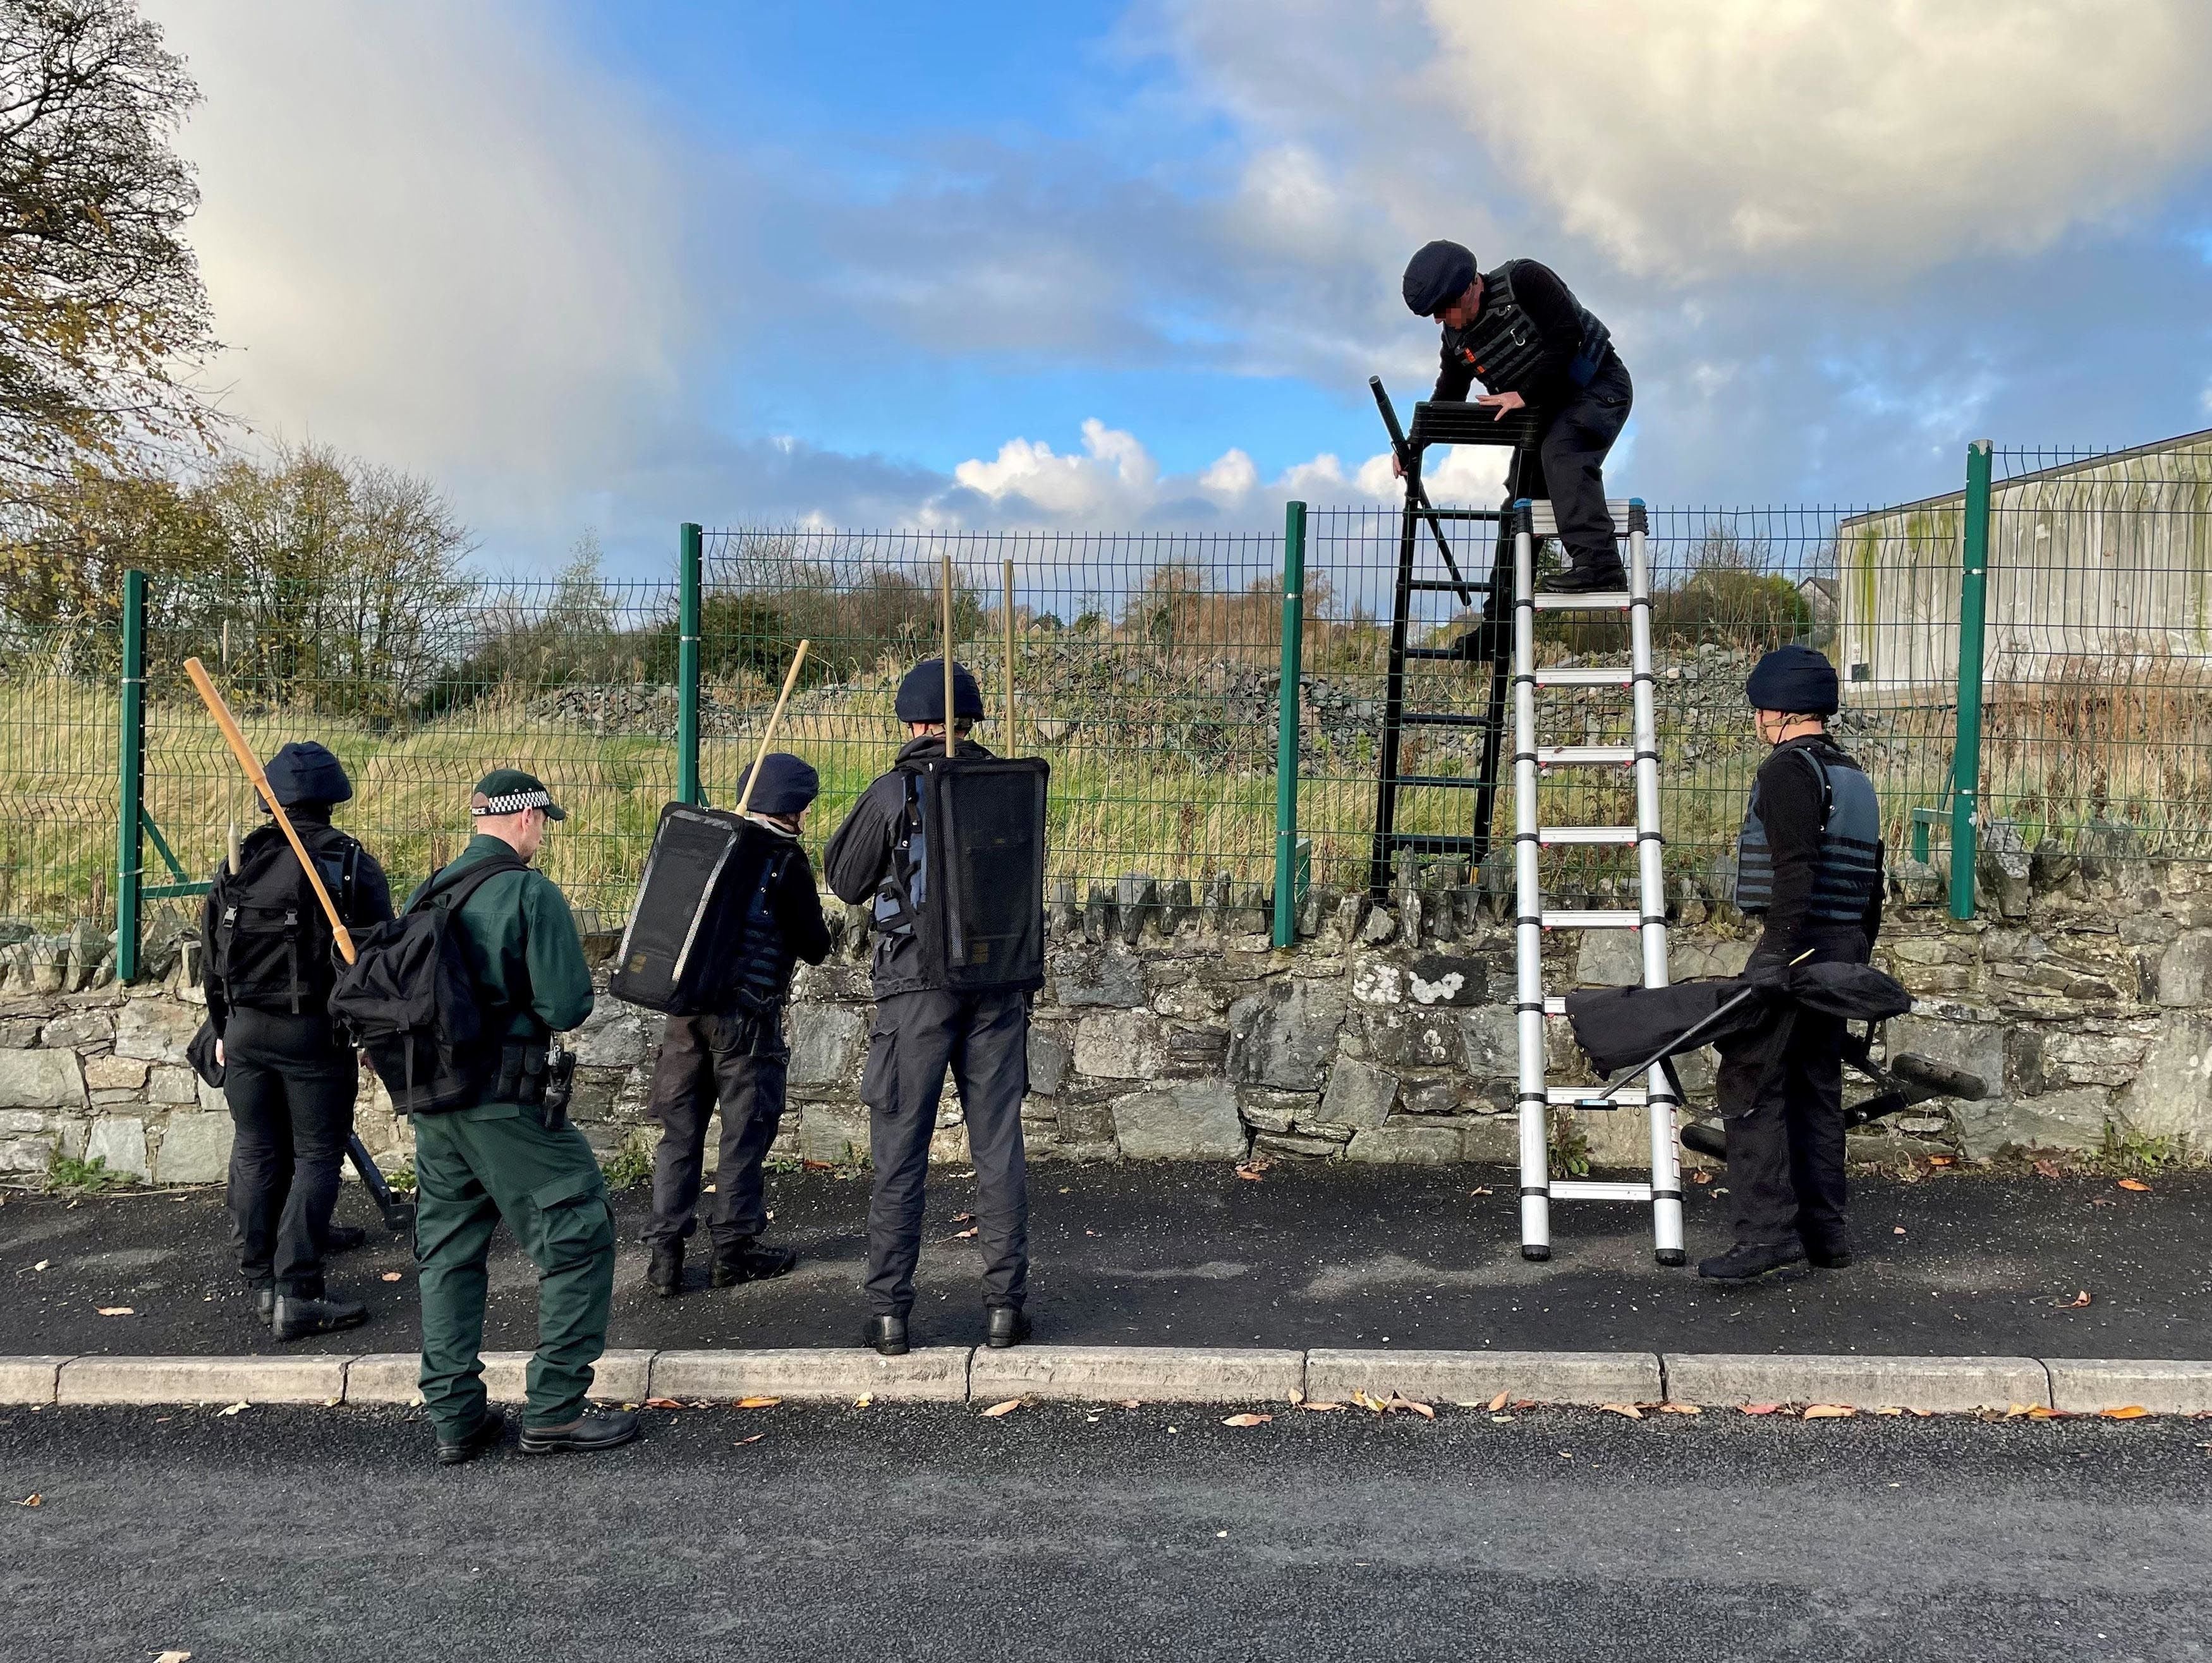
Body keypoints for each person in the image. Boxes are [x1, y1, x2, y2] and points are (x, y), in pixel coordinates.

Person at [409, 769, 635, 1464]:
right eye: (543, 821)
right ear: (526, 818)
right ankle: (556, 1410)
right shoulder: (529, 893)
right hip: (504, 1102)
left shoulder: (429, 891)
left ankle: (455, 1419)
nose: (542, 834)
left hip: (433, 1104)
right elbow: (567, 1006)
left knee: (448, 1255)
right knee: (579, 1233)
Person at [823, 660, 1031, 1357]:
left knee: (900, 1149)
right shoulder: (1010, 788)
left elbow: (846, 881)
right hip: (998, 983)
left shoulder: (893, 791)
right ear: (968, 721)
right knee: (997, 1146)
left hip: (914, 989)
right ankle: (1005, 1309)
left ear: (913, 723)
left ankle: (889, 1316)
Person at [1701, 646, 1885, 1285]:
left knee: (1749, 1082)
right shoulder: (1850, 772)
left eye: (1758, 707)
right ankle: (1823, 1235)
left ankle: (1765, 1236)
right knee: (1815, 1085)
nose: (1755, 718)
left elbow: (1795, 868)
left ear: (1774, 710)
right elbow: (1871, 881)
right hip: (1841, 946)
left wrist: (1776, 954)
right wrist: (1856, 955)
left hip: (1798, 945)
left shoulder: (1787, 771)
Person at [202, 741, 394, 1341]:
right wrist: (372, 1032)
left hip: (243, 1031)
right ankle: (296, 1290)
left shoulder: (241, 862)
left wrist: (220, 1028)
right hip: (314, 1032)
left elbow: (213, 954)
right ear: (334, 797)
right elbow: (379, 955)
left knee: (258, 1148)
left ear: (273, 800)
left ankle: (261, 1271)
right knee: (316, 1155)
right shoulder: (349, 863)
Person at [643, 752, 832, 1297]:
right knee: (743, 1133)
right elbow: (816, 946)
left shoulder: (704, 845)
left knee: (678, 1136)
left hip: (683, 1013)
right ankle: (733, 1251)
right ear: (790, 808)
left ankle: (665, 1259)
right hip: (745, 1018)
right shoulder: (783, 860)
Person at [1400, 239, 1633, 594]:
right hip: (1546, 414)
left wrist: (1524, 394)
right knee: (1518, 506)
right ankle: (1499, 627)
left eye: (1443, 308)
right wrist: (1411, 447)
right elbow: (1447, 397)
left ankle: (1600, 566)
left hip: (1599, 386)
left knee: (1561, 452)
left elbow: (1568, 338)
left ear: (1469, 288)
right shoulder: (1457, 342)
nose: (1438, 319)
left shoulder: (1526, 281)